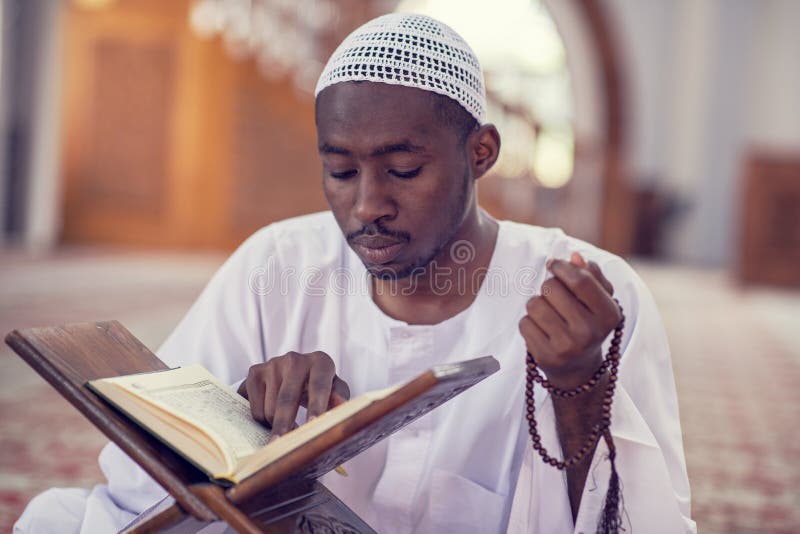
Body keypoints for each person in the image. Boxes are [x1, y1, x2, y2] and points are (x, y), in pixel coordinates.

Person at [15, 13, 694, 534]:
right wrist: (246, 425)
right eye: (341, 172)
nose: (368, 205)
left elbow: (641, 522)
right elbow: (139, 491)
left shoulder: (585, 295)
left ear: (481, 152)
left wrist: (578, 387)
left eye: (404, 170)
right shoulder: (278, 265)